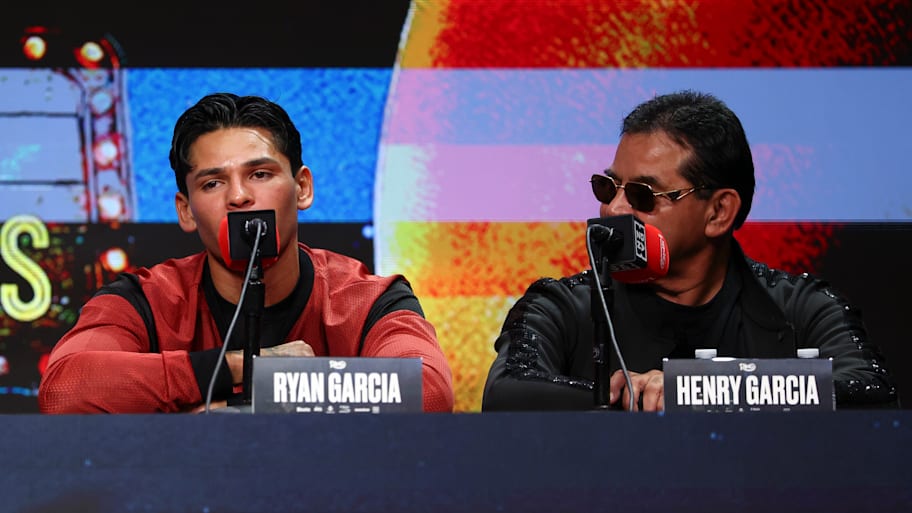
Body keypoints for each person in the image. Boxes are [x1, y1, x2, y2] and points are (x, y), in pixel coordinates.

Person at [482, 90, 898, 411]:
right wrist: (625, 395)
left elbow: (873, 393)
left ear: (718, 212)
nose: (614, 209)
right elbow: (506, 393)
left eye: (643, 194)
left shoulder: (801, 308)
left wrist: (696, 388)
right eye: (607, 187)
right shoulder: (559, 305)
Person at [39, 92, 454, 413]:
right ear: (186, 211)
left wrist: (241, 407)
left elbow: (427, 393)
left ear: (302, 188)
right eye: (213, 183)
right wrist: (242, 367)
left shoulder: (369, 301)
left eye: (260, 174)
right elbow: (65, 389)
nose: (239, 196)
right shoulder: (142, 300)